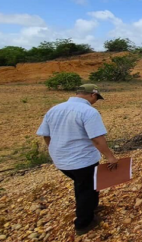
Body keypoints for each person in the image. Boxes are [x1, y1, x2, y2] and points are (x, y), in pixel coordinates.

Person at [36, 84, 118, 236]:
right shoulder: (88, 111)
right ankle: (83, 223)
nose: (96, 101)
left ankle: (92, 207)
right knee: (86, 188)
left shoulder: (54, 109)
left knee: (84, 184)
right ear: (92, 95)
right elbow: (97, 138)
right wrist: (110, 157)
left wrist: (54, 150)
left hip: (61, 160)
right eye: (96, 98)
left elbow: (46, 135)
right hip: (82, 160)